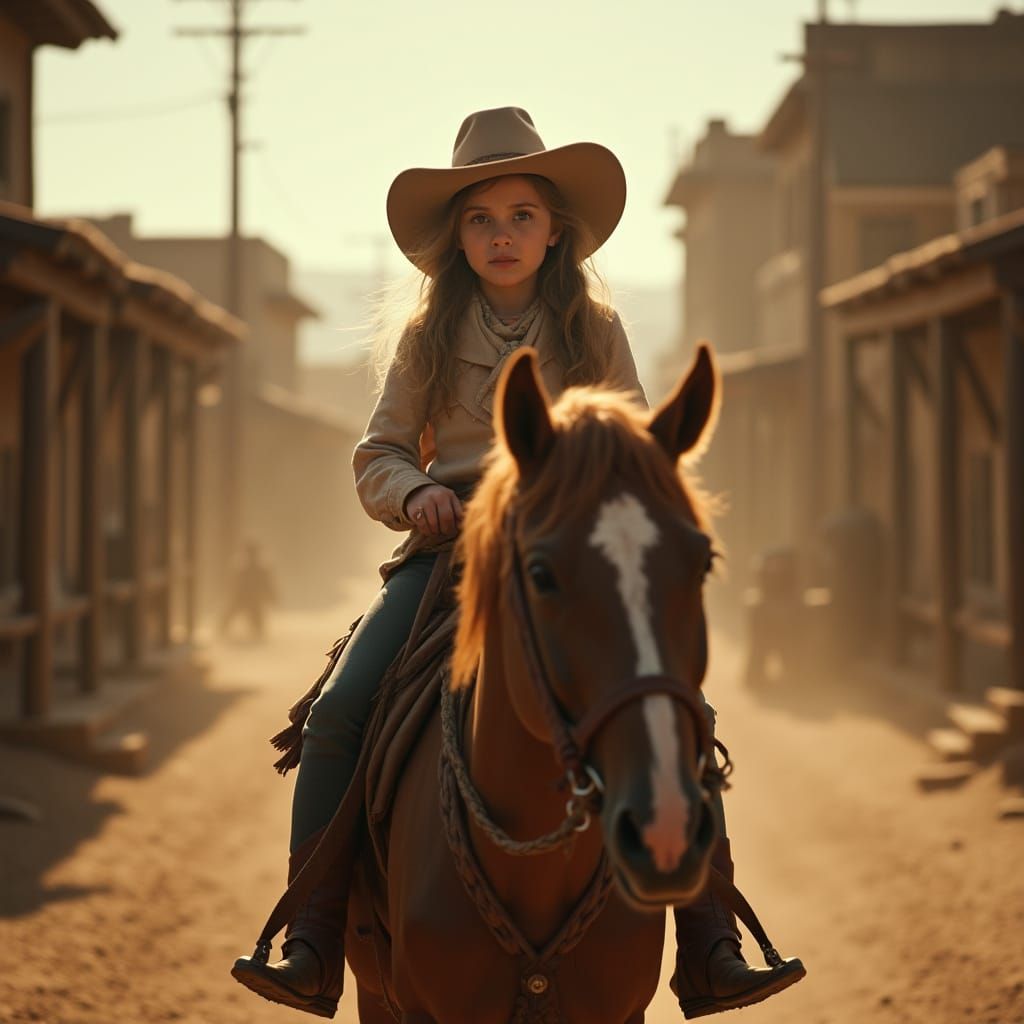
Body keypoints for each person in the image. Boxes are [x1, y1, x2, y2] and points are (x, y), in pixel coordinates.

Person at [231, 106, 803, 1019]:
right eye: (480, 219)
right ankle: (312, 936)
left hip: (562, 562)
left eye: (520, 216)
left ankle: (711, 944)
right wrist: (414, 492)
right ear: (457, 237)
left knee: (671, 705)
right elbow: (378, 452)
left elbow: (633, 449)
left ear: (554, 230)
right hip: (447, 556)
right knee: (340, 709)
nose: (502, 235)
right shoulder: (426, 337)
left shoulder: (595, 330)